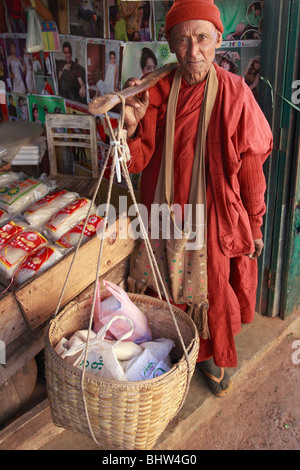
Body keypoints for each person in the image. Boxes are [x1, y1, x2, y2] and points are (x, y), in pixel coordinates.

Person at [122, 0, 273, 397]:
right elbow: (137, 163)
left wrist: (255, 224)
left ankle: (207, 355)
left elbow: (252, 168)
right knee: (162, 287)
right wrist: (132, 128)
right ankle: (168, 350)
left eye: (203, 38)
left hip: (212, 218)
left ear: (218, 39)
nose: (193, 52)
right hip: (160, 212)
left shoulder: (236, 94)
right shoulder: (155, 89)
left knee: (211, 289)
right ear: (170, 44)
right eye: (183, 41)